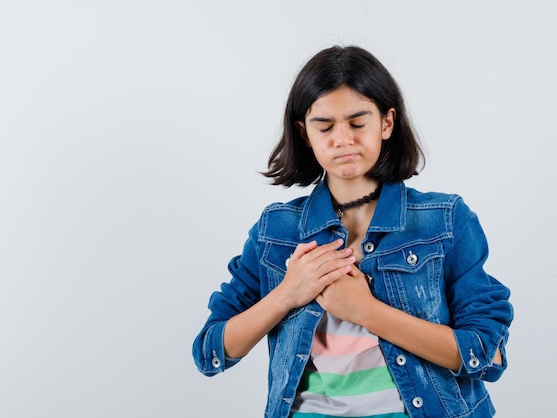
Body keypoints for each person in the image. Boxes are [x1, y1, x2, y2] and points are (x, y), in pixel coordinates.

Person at [192, 45, 513, 418]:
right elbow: (210, 352)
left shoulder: (444, 220)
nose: (342, 139)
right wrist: (286, 294)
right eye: (324, 126)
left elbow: (486, 355)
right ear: (305, 132)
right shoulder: (275, 230)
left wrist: (366, 311)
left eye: (357, 123)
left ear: (387, 123)